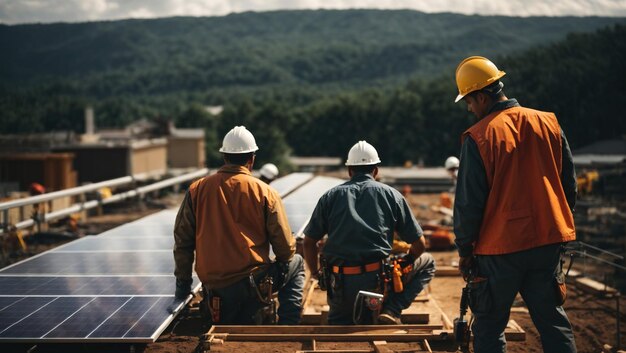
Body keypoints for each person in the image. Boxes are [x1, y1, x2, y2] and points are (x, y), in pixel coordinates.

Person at [453, 56, 577, 352]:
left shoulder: (480, 137)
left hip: (499, 250)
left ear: (481, 97)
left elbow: (469, 204)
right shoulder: (548, 123)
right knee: (553, 322)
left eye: (469, 102)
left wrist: (465, 251)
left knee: (489, 327)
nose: (469, 109)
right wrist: (557, 225)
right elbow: (568, 186)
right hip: (546, 242)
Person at [173, 126, 305, 325]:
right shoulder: (265, 192)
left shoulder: (196, 190)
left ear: (224, 156)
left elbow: (182, 241)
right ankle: (289, 324)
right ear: (252, 158)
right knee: (296, 262)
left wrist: (183, 287)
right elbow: (285, 251)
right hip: (253, 284)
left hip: (215, 287)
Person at [303, 141, 435, 325]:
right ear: (376, 170)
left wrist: (317, 274)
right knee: (428, 262)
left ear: (349, 170)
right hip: (377, 284)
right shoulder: (392, 196)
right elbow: (419, 245)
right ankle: (391, 310)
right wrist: (407, 261)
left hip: (339, 284)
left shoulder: (329, 197)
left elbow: (308, 243)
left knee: (338, 328)